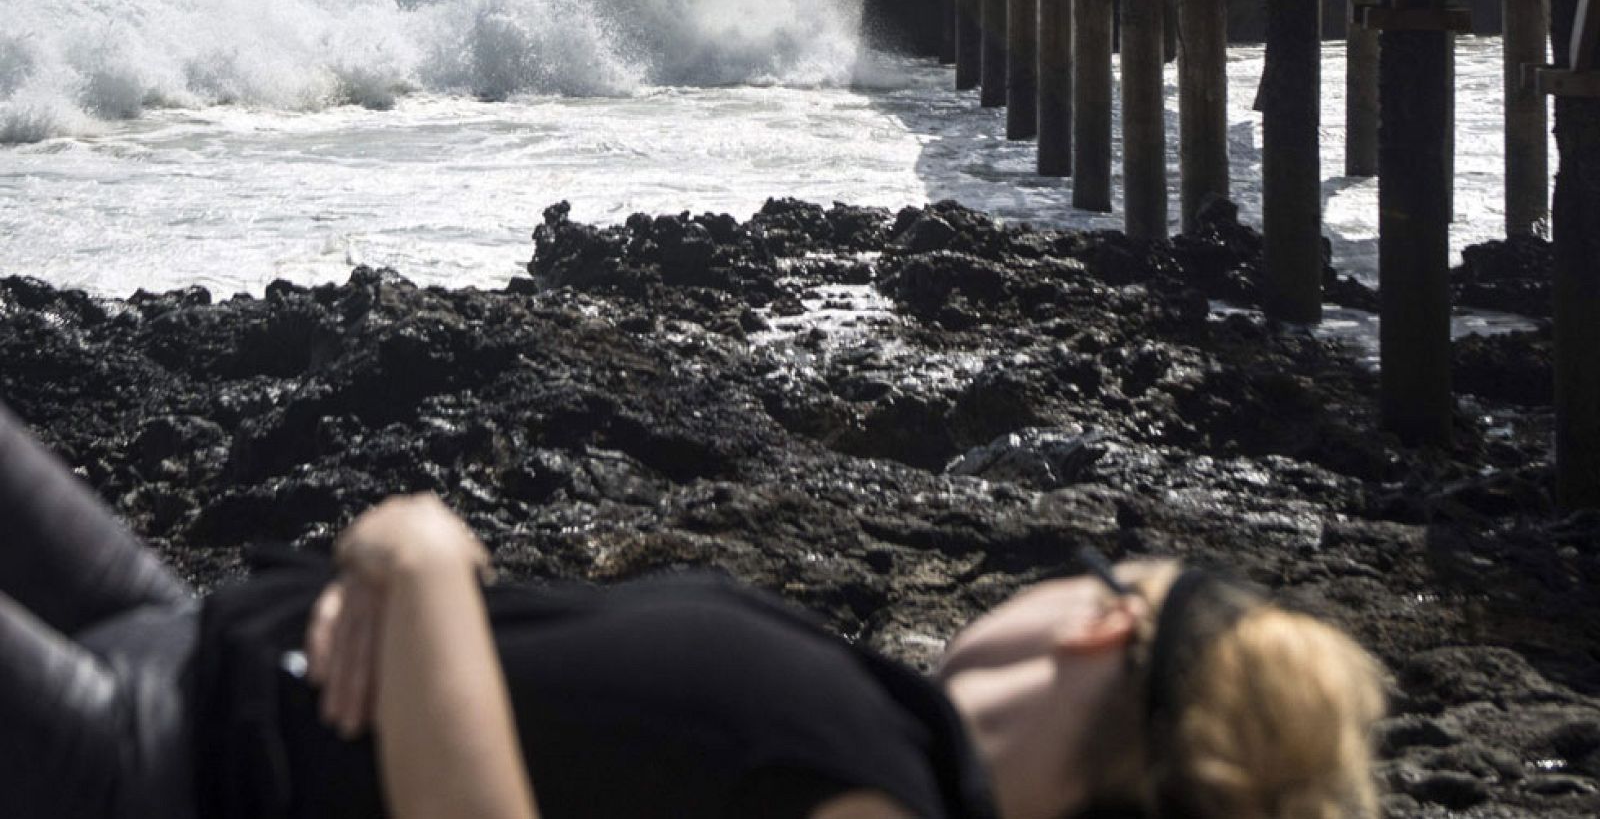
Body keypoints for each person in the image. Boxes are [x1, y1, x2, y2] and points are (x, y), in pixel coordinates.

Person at [0, 400, 1386, 819]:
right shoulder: (895, 751)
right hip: (191, 637)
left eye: (1085, 567)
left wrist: (424, 561)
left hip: (151, 764)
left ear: (1101, 625)